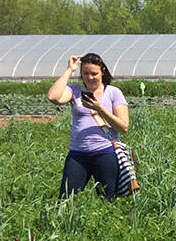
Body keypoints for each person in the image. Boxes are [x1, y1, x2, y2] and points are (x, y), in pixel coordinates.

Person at [45, 53, 129, 200]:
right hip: (78, 154)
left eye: (94, 73)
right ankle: (67, 223)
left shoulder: (113, 92)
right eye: (85, 73)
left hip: (105, 152)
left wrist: (100, 109)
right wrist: (70, 70)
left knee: (107, 200)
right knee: (66, 200)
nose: (90, 77)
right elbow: (53, 97)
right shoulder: (75, 91)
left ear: (102, 71)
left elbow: (123, 127)